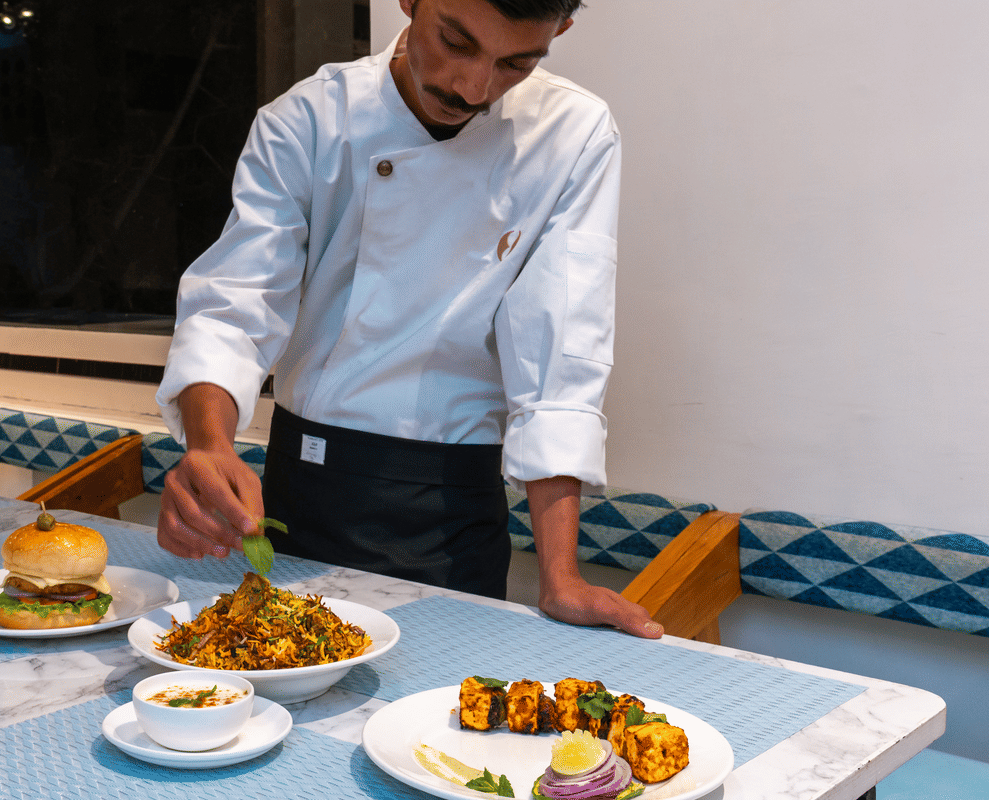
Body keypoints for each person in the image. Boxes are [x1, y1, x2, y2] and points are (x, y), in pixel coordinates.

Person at [154, 0, 662, 638]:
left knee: (437, 723)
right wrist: (209, 445)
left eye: (517, 62)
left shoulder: (573, 134)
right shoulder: (310, 120)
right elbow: (234, 306)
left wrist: (561, 578)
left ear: (558, 31)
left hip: (455, 506)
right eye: (456, 41)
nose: (471, 87)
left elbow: (558, 354)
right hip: (304, 485)